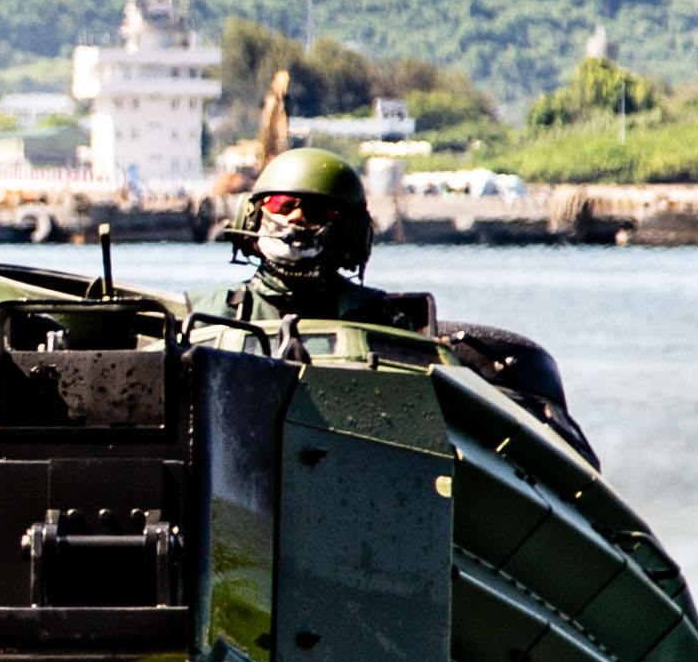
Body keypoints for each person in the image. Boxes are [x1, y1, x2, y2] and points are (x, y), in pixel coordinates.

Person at [206, 144, 602, 460]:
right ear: (253, 216)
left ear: (349, 230)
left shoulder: (380, 320)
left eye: (318, 211)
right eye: (281, 205)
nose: (295, 219)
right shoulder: (208, 313)